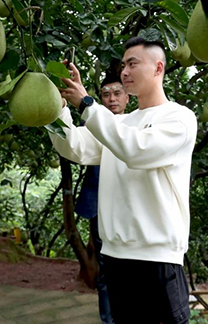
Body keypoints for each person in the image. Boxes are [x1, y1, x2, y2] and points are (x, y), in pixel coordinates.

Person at [49, 37, 197, 324]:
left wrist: (88, 104)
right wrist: (57, 104)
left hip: (157, 260)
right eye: (123, 65)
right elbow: (75, 147)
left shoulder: (179, 118)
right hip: (116, 258)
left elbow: (136, 150)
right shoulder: (119, 124)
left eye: (133, 64)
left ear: (158, 68)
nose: (124, 72)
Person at [75, 72, 130, 324]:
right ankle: (108, 320)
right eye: (106, 94)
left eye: (117, 93)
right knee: (106, 267)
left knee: (130, 268)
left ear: (128, 96)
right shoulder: (93, 124)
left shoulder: (135, 125)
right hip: (98, 205)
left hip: (128, 207)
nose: (111, 99)